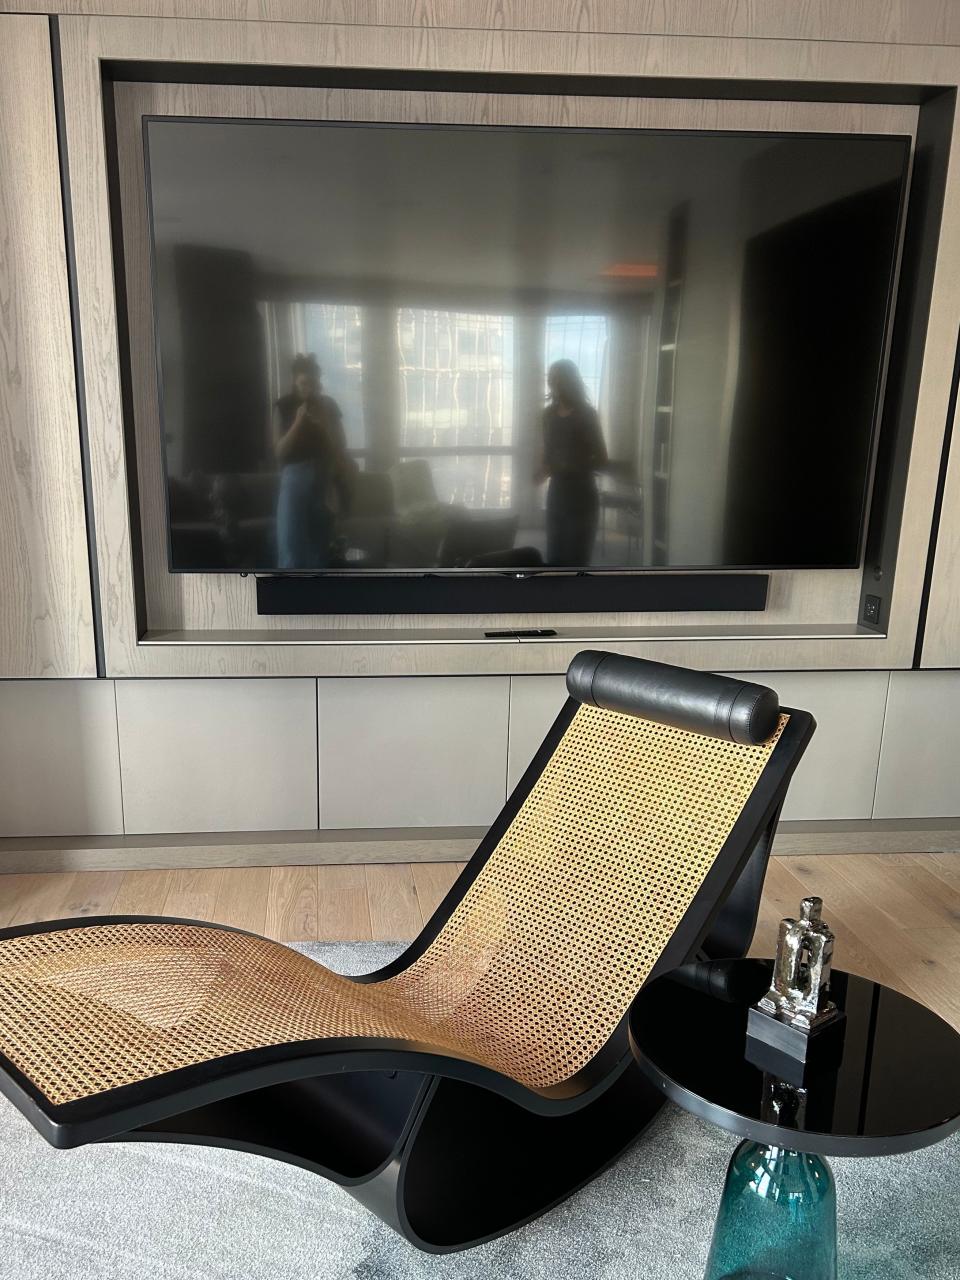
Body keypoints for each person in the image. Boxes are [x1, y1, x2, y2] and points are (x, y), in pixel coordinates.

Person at [273, 354, 352, 570]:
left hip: (323, 477)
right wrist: (298, 422)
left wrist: (325, 425)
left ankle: (317, 599)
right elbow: (279, 452)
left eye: (314, 383)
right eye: (303, 383)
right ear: (294, 382)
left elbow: (341, 447)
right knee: (290, 545)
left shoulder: (329, 406)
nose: (309, 388)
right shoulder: (284, 405)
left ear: (319, 382)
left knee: (320, 549)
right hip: (294, 478)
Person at [535, 358, 608, 566]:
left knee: (577, 559)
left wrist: (571, 463)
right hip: (557, 495)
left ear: (571, 381)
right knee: (555, 557)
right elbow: (547, 451)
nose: (555, 385)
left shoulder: (587, 414)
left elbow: (601, 458)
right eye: (552, 379)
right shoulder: (547, 415)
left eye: (560, 380)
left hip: (583, 496)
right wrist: (543, 469)